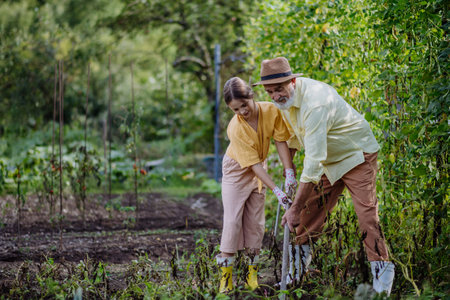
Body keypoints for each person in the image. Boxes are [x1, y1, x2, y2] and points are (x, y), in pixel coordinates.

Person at [253, 57, 395, 295]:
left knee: (366, 218)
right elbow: (296, 137)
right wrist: (290, 172)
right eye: (269, 92)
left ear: (293, 81)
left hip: (355, 155)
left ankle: (382, 286)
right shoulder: (286, 102)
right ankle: (294, 277)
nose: (275, 96)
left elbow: (314, 161)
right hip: (328, 158)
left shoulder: (314, 103)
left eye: (279, 89)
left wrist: (294, 208)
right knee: (308, 213)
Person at [217, 77, 297, 293]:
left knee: (256, 222)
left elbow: (281, 140)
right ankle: (226, 278)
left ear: (251, 96)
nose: (242, 111)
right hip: (237, 170)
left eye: (244, 104)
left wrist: (288, 170)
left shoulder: (271, 111)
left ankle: (252, 275)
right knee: (233, 220)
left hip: (258, 166)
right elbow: (251, 165)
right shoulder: (236, 128)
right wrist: (276, 190)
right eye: (235, 109)